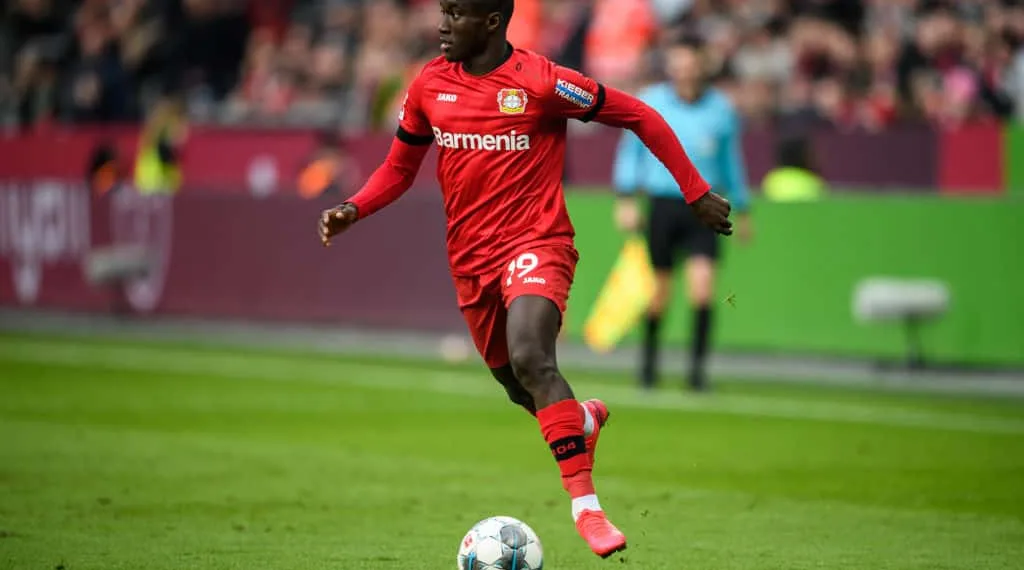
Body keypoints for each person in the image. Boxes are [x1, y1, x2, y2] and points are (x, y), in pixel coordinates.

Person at [317, 0, 733, 558]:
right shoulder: (429, 86)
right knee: (519, 385)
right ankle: (580, 419)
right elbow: (399, 167)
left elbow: (639, 114)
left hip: (538, 243)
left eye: (457, 14)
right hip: (470, 260)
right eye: (443, 12)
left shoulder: (541, 81)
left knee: (534, 359)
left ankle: (587, 509)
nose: (443, 24)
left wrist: (695, 190)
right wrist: (354, 208)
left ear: (490, 21)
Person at [612, 36, 751, 393]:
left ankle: (696, 372)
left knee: (703, 290)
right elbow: (632, 152)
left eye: (689, 63)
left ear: (702, 65)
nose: (683, 71)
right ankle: (648, 367)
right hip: (663, 204)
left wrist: (744, 206)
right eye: (677, 63)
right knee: (659, 292)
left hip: (705, 206)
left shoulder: (721, 109)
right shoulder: (652, 102)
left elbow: (730, 161)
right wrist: (626, 197)